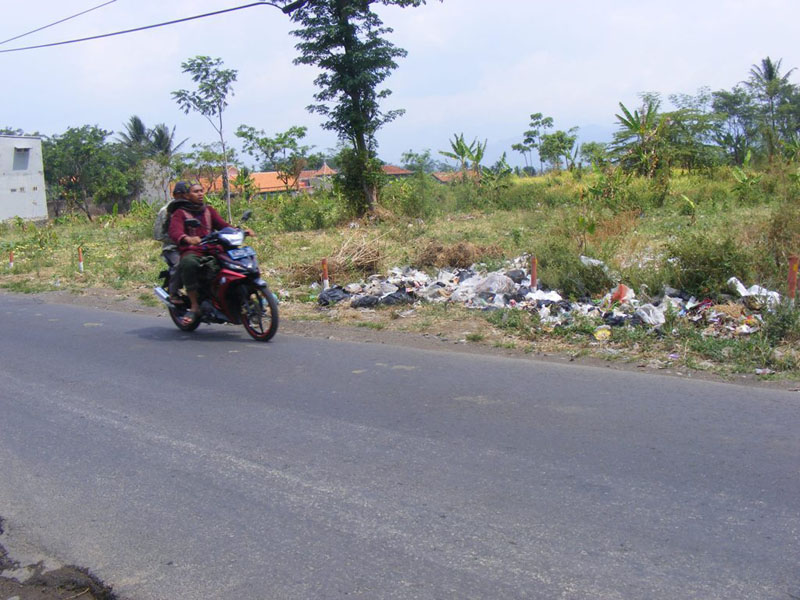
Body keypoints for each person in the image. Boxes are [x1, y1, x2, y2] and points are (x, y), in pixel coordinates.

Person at [168, 183, 254, 325]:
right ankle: (194, 305)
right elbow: (174, 231)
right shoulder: (180, 213)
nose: (200, 194)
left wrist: (241, 231)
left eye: (201, 191)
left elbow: (222, 225)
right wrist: (187, 238)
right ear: (188, 195)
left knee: (235, 263)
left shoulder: (208, 210)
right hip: (193, 251)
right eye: (196, 191)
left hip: (213, 248)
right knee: (189, 263)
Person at [153, 181, 191, 304]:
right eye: (180, 194)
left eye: (185, 193)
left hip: (193, 246)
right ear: (174, 195)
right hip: (172, 247)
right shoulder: (166, 211)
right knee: (180, 264)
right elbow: (158, 234)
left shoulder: (194, 208)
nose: (183, 196)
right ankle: (173, 293)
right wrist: (178, 238)